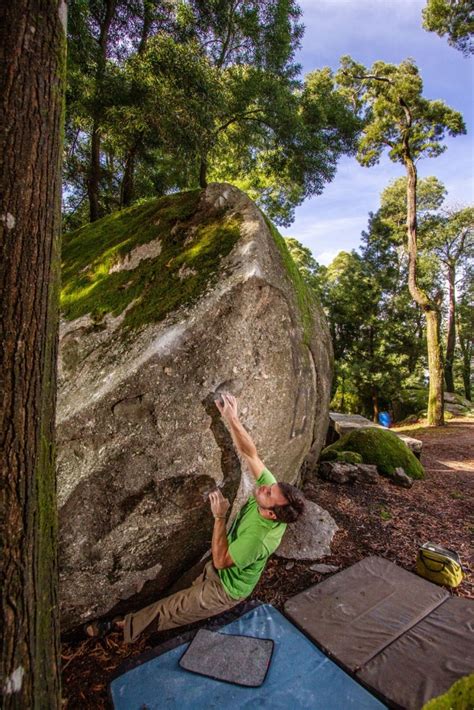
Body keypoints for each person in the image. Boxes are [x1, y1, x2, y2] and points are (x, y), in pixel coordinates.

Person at [85, 392, 305, 642]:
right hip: (216, 566)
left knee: (169, 611)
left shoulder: (260, 539)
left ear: (269, 514)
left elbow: (222, 561)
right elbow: (250, 454)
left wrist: (219, 517)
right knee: (175, 593)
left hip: (226, 588)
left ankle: (116, 628)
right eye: (270, 487)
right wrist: (231, 418)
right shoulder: (271, 496)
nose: (264, 486)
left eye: (268, 493)